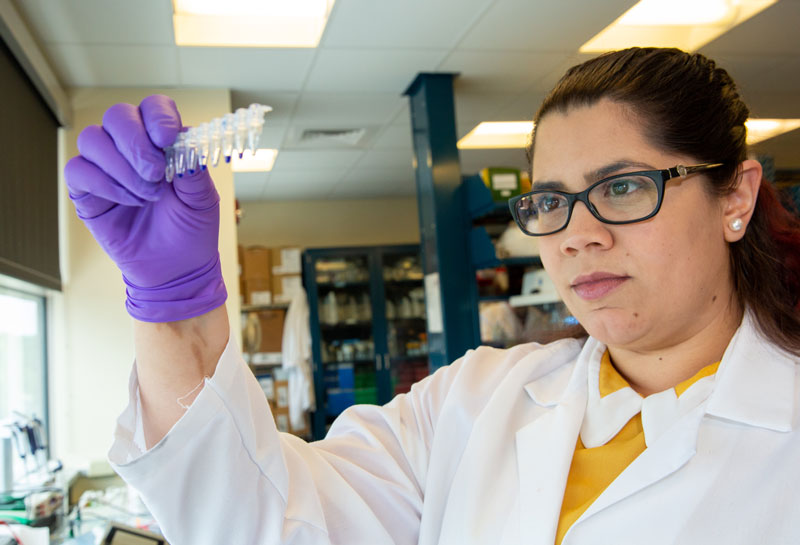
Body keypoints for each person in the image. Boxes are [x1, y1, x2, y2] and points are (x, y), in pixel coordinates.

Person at [64, 47, 800, 544]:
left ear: (735, 195)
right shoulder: (474, 401)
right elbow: (268, 519)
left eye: (623, 187)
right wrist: (173, 301)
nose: (577, 235)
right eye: (551, 201)